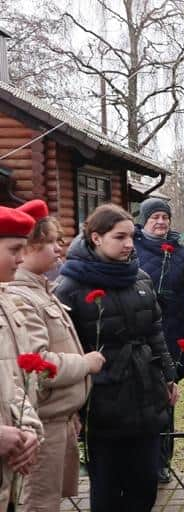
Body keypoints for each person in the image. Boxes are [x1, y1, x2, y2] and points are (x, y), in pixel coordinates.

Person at [55, 203, 179, 512]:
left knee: (145, 485)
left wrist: (168, 376)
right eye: (119, 237)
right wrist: (73, 406)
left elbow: (154, 331)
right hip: (102, 401)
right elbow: (65, 348)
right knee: (108, 491)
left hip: (145, 392)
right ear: (96, 238)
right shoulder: (70, 286)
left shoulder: (140, 278)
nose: (128, 244)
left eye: (130, 237)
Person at [6, 200, 105, 511]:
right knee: (37, 503)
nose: (57, 249)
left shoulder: (41, 290)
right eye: (48, 242)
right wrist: (85, 364)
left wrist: (70, 411)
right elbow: (36, 364)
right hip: (40, 426)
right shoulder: (21, 297)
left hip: (53, 420)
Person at [134, 197, 184, 483]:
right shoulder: (131, 249)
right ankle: (141, 461)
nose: (160, 222)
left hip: (171, 334)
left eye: (164, 217)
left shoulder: (180, 254)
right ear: (144, 221)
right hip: (138, 336)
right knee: (140, 400)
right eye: (154, 217)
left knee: (167, 400)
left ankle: (162, 461)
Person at [0, 205, 43, 511]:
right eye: (14, 249)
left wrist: (28, 433)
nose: (20, 258)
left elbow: (16, 381)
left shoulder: (6, 304)